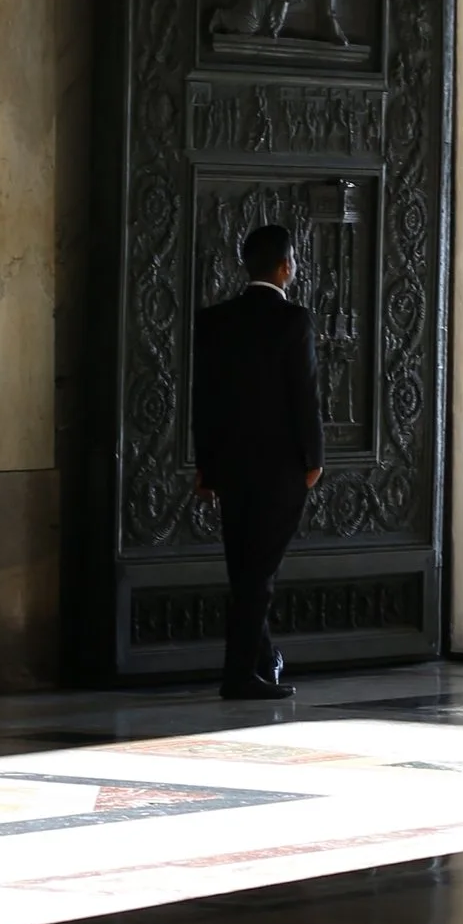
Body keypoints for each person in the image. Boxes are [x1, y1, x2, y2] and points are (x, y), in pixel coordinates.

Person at [192, 223, 324, 701]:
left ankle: (260, 663)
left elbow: (202, 401)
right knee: (258, 575)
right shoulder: (295, 322)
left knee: (245, 568)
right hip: (281, 469)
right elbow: (304, 397)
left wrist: (205, 467)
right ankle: (239, 674)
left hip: (230, 468)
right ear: (286, 267)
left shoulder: (213, 320)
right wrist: (315, 458)